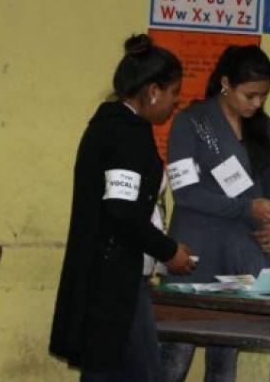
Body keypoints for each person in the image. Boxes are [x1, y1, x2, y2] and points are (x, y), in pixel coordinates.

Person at [50, 34, 197, 382]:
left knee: (110, 372)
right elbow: (120, 210)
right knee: (137, 373)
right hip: (115, 281)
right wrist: (168, 250)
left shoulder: (111, 125)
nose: (175, 103)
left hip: (111, 275)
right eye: (174, 93)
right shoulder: (126, 132)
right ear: (153, 91)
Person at [160, 45, 270, 382]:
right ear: (226, 83)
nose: (257, 103)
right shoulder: (191, 121)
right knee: (174, 358)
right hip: (194, 252)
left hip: (240, 255)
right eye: (250, 95)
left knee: (224, 358)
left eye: (264, 96)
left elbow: (269, 180)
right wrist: (247, 208)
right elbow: (184, 193)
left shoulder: (263, 125)